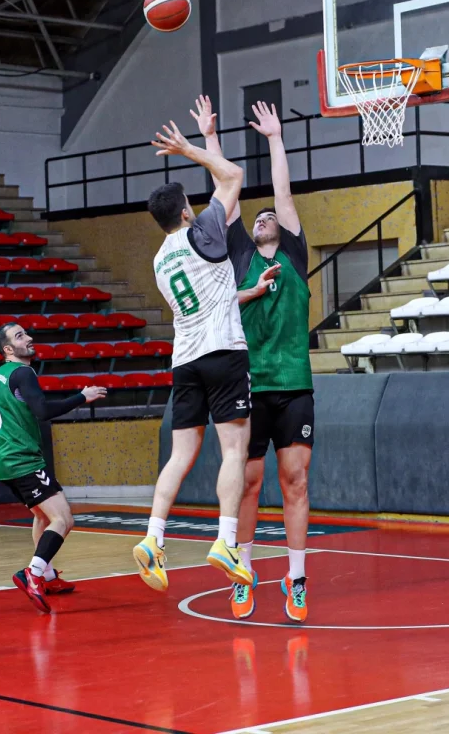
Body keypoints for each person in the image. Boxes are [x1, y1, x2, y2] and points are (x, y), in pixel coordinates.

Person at [195, 96, 314, 622]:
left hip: (294, 382)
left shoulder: (292, 253)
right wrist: (211, 139)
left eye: (271, 216)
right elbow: (227, 190)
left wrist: (274, 139)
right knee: (247, 483)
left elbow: (282, 193)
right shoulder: (240, 255)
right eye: (259, 216)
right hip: (250, 381)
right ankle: (244, 571)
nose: (266, 217)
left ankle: (297, 576)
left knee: (296, 481)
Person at [133, 116, 255, 593]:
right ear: (186, 212)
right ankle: (226, 539)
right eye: (191, 203)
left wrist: (205, 140)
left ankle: (153, 536)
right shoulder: (202, 231)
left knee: (180, 454)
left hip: (184, 359)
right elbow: (233, 177)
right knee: (233, 449)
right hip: (223, 350)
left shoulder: (160, 259)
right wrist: (190, 148)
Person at [0, 322, 106, 613]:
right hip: (23, 460)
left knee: (42, 516)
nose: (29, 338)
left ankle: (46, 576)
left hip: (5, 462)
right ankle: (32, 573)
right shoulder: (23, 373)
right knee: (64, 519)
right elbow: (43, 411)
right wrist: (82, 397)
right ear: (8, 349)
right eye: (20, 336)